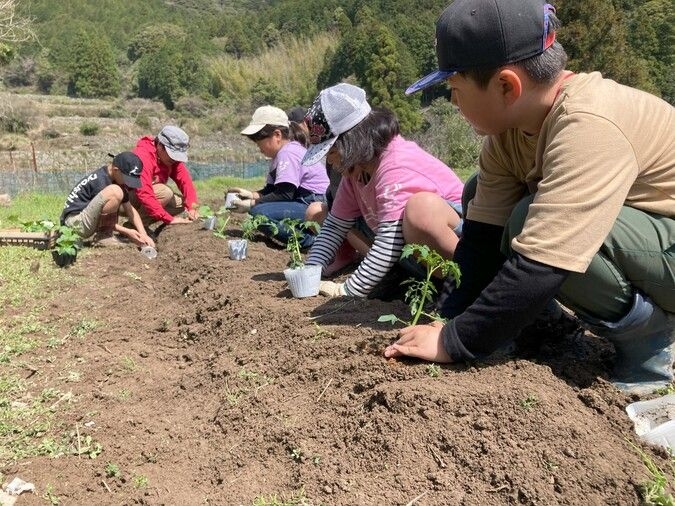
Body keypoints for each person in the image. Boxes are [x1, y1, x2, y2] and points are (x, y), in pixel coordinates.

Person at [384, 0, 675, 395]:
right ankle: (538, 322)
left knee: (529, 219)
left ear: (506, 85)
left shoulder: (589, 125)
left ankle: (651, 341)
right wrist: (454, 316)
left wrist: (457, 341)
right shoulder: (509, 133)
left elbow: (542, 263)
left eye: (455, 89)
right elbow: (482, 239)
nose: (453, 102)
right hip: (643, 242)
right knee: (478, 194)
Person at [302, 83, 465, 298]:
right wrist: (309, 273)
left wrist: (348, 290)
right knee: (331, 216)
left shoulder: (395, 164)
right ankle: (404, 278)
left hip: (462, 243)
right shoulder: (356, 173)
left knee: (420, 210)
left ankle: (465, 285)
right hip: (412, 253)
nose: (330, 161)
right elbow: (334, 227)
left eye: (331, 152)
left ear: (350, 141)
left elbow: (389, 241)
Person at [229, 105, 329, 248]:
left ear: (277, 135)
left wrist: (251, 204)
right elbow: (272, 190)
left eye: (259, 140)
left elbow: (285, 194)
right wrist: (250, 195)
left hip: (316, 204)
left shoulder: (288, 153)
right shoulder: (279, 155)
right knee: (260, 209)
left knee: (259, 214)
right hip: (304, 201)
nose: (258, 146)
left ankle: (310, 241)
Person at [60, 152, 155, 248]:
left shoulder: (115, 178)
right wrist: (128, 232)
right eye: (127, 178)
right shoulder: (101, 181)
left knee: (117, 191)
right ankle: (103, 237)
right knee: (115, 191)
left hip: (84, 220)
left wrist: (143, 234)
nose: (128, 182)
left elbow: (130, 209)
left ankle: (105, 234)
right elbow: (102, 220)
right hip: (76, 223)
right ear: (116, 170)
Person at [131, 125, 200, 230]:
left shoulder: (171, 160)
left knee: (181, 203)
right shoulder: (143, 156)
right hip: (126, 198)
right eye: (172, 155)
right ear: (159, 145)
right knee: (165, 193)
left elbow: (186, 182)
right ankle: (135, 226)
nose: (175, 160)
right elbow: (144, 192)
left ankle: (139, 224)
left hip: (146, 196)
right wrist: (169, 219)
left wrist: (192, 207)